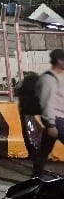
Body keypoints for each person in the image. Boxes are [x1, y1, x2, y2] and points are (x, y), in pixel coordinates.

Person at [28, 48, 64, 177]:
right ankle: (36, 177)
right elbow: (47, 103)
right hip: (56, 120)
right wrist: (51, 124)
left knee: (44, 151)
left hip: (59, 119)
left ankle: (35, 177)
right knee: (44, 151)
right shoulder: (48, 79)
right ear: (59, 61)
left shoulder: (60, 77)